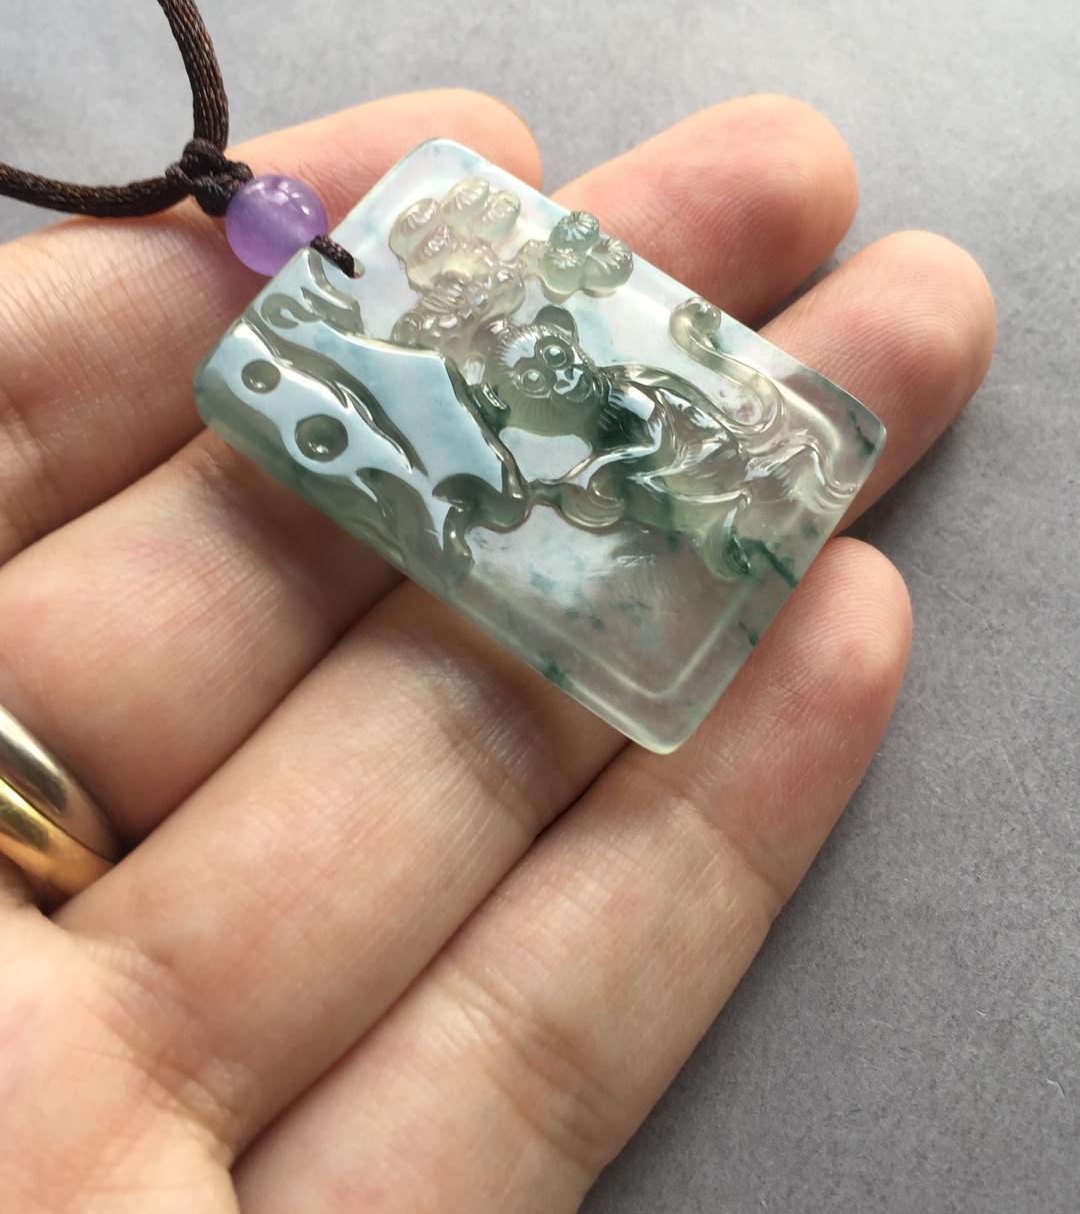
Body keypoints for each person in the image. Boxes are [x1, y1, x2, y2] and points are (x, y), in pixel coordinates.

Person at [0, 88, 994, 1212]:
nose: (542, 364)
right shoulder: (518, 457)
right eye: (512, 370)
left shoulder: (650, 381)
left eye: (542, 345)